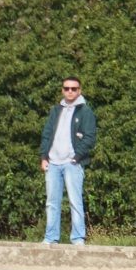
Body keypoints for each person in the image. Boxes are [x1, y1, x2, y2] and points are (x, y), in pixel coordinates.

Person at [40, 75, 96, 246]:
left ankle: (78, 238)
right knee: (52, 202)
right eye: (66, 88)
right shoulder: (56, 110)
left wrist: (76, 157)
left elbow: (90, 137)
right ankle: (51, 238)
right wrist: (44, 156)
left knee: (75, 201)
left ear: (79, 90)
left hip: (72, 164)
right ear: (62, 90)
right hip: (53, 163)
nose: (70, 91)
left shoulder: (85, 111)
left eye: (73, 88)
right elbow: (47, 134)